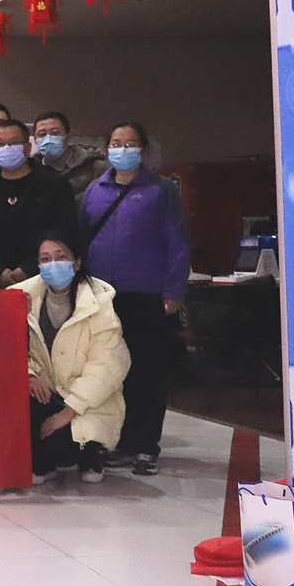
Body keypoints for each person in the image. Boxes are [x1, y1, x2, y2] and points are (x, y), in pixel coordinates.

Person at [82, 121, 190, 476]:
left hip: (147, 297)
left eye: (130, 143)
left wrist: (173, 291)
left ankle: (146, 446)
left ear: (142, 149)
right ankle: (121, 442)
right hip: (102, 298)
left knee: (147, 373)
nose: (122, 149)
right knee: (113, 374)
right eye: (116, 143)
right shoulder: (95, 190)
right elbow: (81, 240)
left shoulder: (161, 190)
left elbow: (177, 243)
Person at [12, 228, 130, 483]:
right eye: (45, 259)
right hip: (44, 392)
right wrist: (28, 376)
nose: (53, 264)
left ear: (76, 262)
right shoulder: (19, 297)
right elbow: (6, 349)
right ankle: (42, 463)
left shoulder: (101, 304)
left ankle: (90, 455)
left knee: (67, 438)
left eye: (61, 257)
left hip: (86, 399)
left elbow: (107, 365)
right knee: (28, 418)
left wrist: (68, 411)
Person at [0, 119, 77, 286]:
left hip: (44, 276)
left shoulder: (54, 184)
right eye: (0, 144)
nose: (6, 148)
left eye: (14, 143)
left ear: (28, 148)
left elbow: (64, 228)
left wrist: (28, 268)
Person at [33, 111, 110, 203]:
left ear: (68, 136)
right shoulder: (30, 170)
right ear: (35, 140)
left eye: (55, 133)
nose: (48, 139)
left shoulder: (96, 168)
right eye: (42, 134)